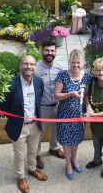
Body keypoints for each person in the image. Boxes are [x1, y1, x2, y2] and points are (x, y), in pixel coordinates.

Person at [0, 55, 47, 193]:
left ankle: (32, 169)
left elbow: (39, 99)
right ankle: (20, 177)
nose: (29, 67)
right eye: (25, 64)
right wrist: (15, 119)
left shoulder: (39, 82)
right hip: (19, 126)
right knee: (19, 155)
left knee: (33, 150)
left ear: (35, 67)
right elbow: (3, 108)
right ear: (20, 66)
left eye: (32, 64)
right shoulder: (10, 85)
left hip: (35, 125)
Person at [54, 49, 92, 180]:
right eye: (73, 62)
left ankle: (74, 159)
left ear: (82, 63)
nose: (76, 65)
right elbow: (56, 96)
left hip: (79, 114)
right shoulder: (62, 75)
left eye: (78, 62)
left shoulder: (86, 76)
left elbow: (86, 95)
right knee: (66, 139)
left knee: (76, 138)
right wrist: (71, 93)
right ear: (69, 62)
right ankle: (68, 163)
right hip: (65, 114)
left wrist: (89, 106)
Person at [33, 40, 65, 170]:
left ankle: (53, 148)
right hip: (42, 107)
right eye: (47, 50)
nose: (49, 53)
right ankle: (36, 155)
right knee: (38, 133)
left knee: (55, 129)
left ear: (56, 52)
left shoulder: (59, 67)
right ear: (42, 50)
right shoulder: (35, 68)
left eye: (52, 50)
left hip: (57, 105)